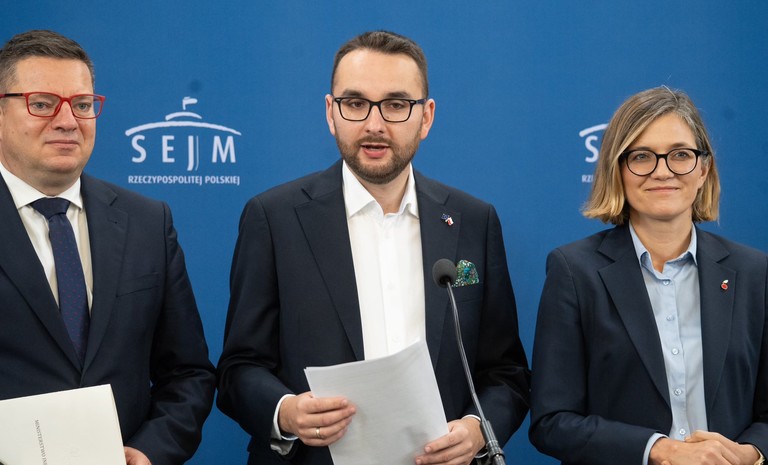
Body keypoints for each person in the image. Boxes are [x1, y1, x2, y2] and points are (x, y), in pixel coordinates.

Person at [217, 30, 530, 465]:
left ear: (426, 117)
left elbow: (507, 373)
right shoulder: (273, 218)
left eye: (396, 105)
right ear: (331, 112)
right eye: (355, 103)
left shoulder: (473, 222)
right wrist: (286, 412)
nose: (374, 125)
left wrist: (478, 429)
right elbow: (238, 370)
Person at [0, 30, 216, 465]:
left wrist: (149, 451)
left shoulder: (148, 222)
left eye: (82, 105)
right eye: (42, 104)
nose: (67, 121)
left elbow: (188, 374)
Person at [529, 86, 768, 465]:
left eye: (681, 155)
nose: (663, 171)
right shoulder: (575, 271)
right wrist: (659, 448)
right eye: (641, 156)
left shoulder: (754, 273)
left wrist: (748, 453)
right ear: (617, 170)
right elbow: (552, 422)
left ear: (703, 169)